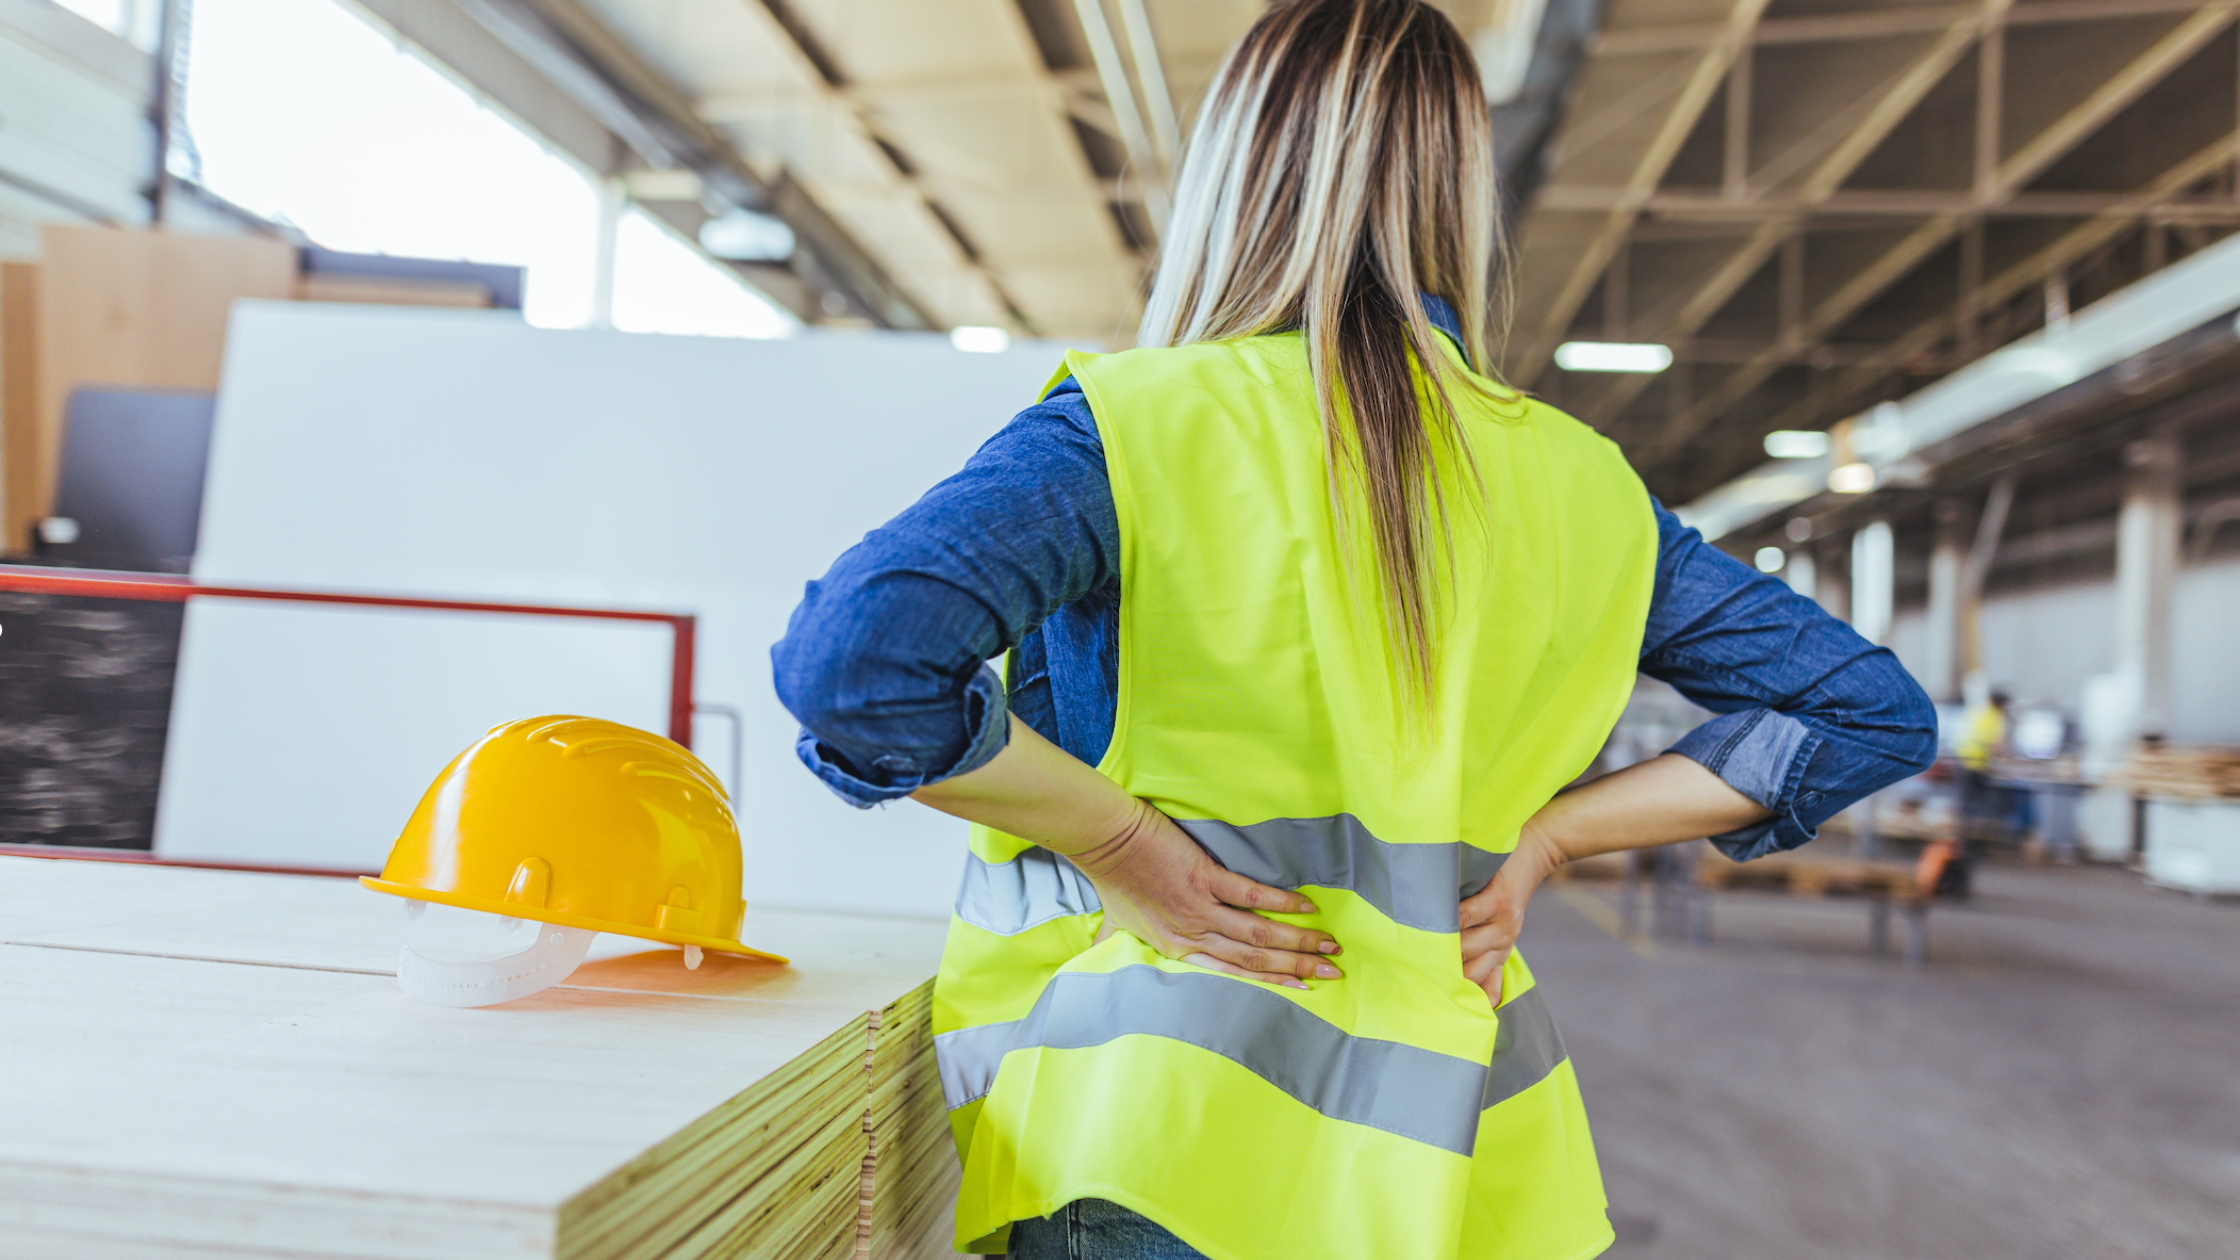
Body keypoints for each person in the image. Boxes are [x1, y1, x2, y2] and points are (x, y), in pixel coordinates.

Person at [772, 3, 1936, 1256]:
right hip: (1442, 1169)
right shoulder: (1585, 487)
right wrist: (1546, 840)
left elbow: (857, 665)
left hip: (1151, 1150)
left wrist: (1123, 845)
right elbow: (1867, 710)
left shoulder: (1140, 429)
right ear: (1457, 196)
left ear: (1231, 175)